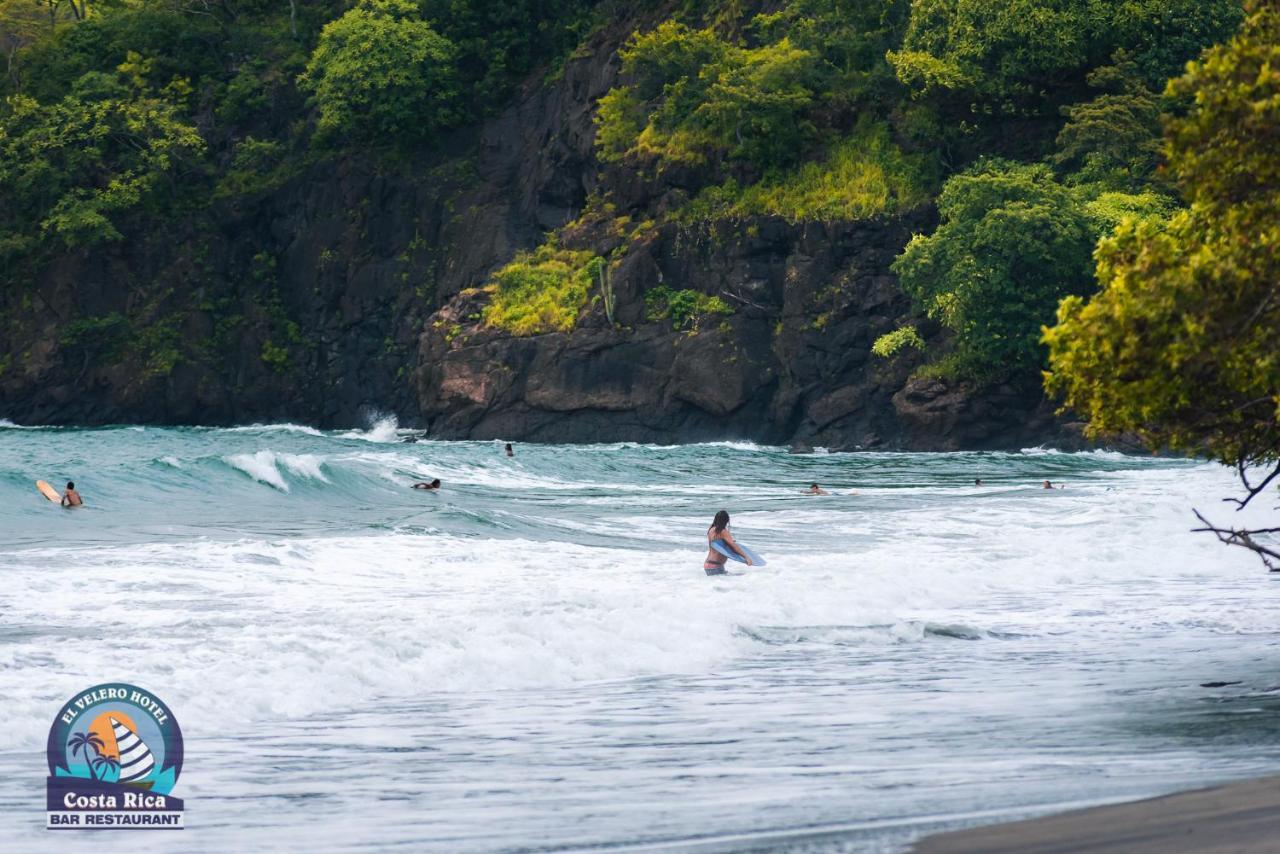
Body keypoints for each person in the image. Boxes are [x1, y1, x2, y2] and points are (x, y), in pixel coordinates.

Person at [705, 510, 751, 575]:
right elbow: (733, 545)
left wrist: (727, 543)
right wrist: (746, 557)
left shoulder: (711, 529)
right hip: (715, 566)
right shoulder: (722, 531)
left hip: (709, 564)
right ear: (726, 520)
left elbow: (717, 545)